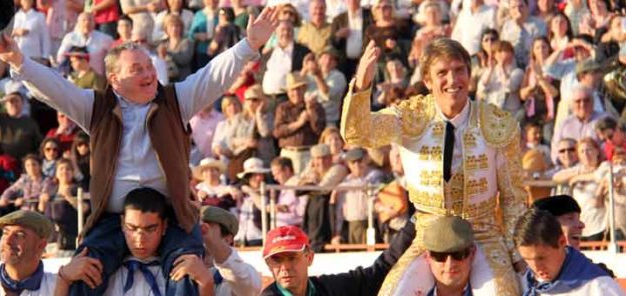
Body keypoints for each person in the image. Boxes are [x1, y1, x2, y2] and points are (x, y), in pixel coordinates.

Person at [0, 6, 279, 295]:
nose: (149, 73)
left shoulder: (175, 100)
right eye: (137, 69)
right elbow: (54, 89)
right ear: (115, 80)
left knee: (186, 278)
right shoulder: (96, 107)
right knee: (82, 276)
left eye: (149, 66)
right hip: (111, 220)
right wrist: (18, 60)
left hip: (175, 216)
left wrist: (249, 45)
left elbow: (213, 75)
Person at [341, 39, 527, 295]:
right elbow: (355, 133)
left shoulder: (497, 124)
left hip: (482, 234)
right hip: (428, 235)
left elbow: (513, 197)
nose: (453, 80)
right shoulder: (411, 116)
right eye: (442, 73)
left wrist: (518, 252)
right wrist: (361, 86)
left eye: (459, 70)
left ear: (470, 75)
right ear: (428, 81)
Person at [54, 187, 214, 296]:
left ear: (164, 226)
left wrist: (205, 282)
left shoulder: (188, 268)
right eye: (132, 228)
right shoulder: (98, 266)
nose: (139, 239)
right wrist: (64, 278)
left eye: (150, 229)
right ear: (122, 224)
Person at [260, 223, 415, 295]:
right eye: (277, 260)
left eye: (292, 258)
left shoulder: (330, 287)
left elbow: (377, 273)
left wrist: (414, 224)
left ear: (309, 258)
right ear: (268, 264)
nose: (285, 267)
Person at [514, 208, 624, 295]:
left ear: (562, 242)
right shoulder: (524, 282)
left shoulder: (599, 287)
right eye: (527, 260)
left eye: (541, 258)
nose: (536, 267)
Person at [199, 205, 263, 295]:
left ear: (227, 239)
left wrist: (215, 245)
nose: (199, 234)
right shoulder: (182, 266)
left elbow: (249, 288)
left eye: (205, 229)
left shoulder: (242, 272)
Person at [273, 72, 326, 175]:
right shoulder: (283, 108)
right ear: (288, 92)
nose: (296, 93)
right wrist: (299, 123)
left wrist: (311, 112)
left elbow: (320, 130)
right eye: (293, 90)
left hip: (309, 153)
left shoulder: (316, 106)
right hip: (288, 153)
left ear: (304, 89)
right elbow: (277, 132)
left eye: (299, 89)